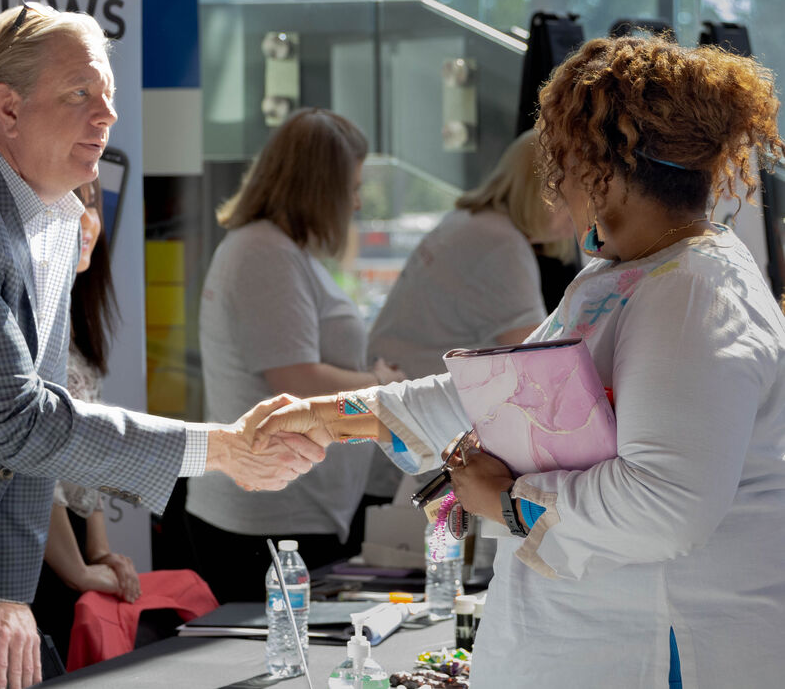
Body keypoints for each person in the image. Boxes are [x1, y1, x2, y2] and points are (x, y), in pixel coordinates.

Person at [250, 34, 785, 688]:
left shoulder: (691, 294)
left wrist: (504, 502)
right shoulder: (624, 275)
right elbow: (496, 395)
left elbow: (666, 506)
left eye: (559, 157)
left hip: (657, 653)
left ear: (602, 168)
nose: (552, 179)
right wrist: (327, 417)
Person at [0, 3, 323, 689]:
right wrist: (220, 448)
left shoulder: (52, 216)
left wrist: (5, 591)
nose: (108, 117)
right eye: (80, 95)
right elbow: (25, 424)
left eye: (109, 97)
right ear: (7, 109)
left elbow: (38, 422)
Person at [183, 108, 404, 603]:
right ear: (318, 186)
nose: (356, 201)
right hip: (269, 518)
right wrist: (380, 385)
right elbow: (296, 377)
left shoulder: (278, 250)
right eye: (350, 185)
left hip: (286, 510)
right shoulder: (264, 253)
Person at [29, 177, 140, 663]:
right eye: (71, 200)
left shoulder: (75, 313)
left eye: (92, 202)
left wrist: (99, 553)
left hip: (66, 544)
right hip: (29, 551)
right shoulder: (25, 316)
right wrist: (76, 569)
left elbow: (83, 452)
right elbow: (35, 460)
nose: (86, 219)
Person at [368, 128, 575, 380]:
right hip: (415, 396)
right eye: (576, 191)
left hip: (396, 380)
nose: (588, 206)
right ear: (541, 191)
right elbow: (538, 364)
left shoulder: (471, 221)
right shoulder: (501, 246)